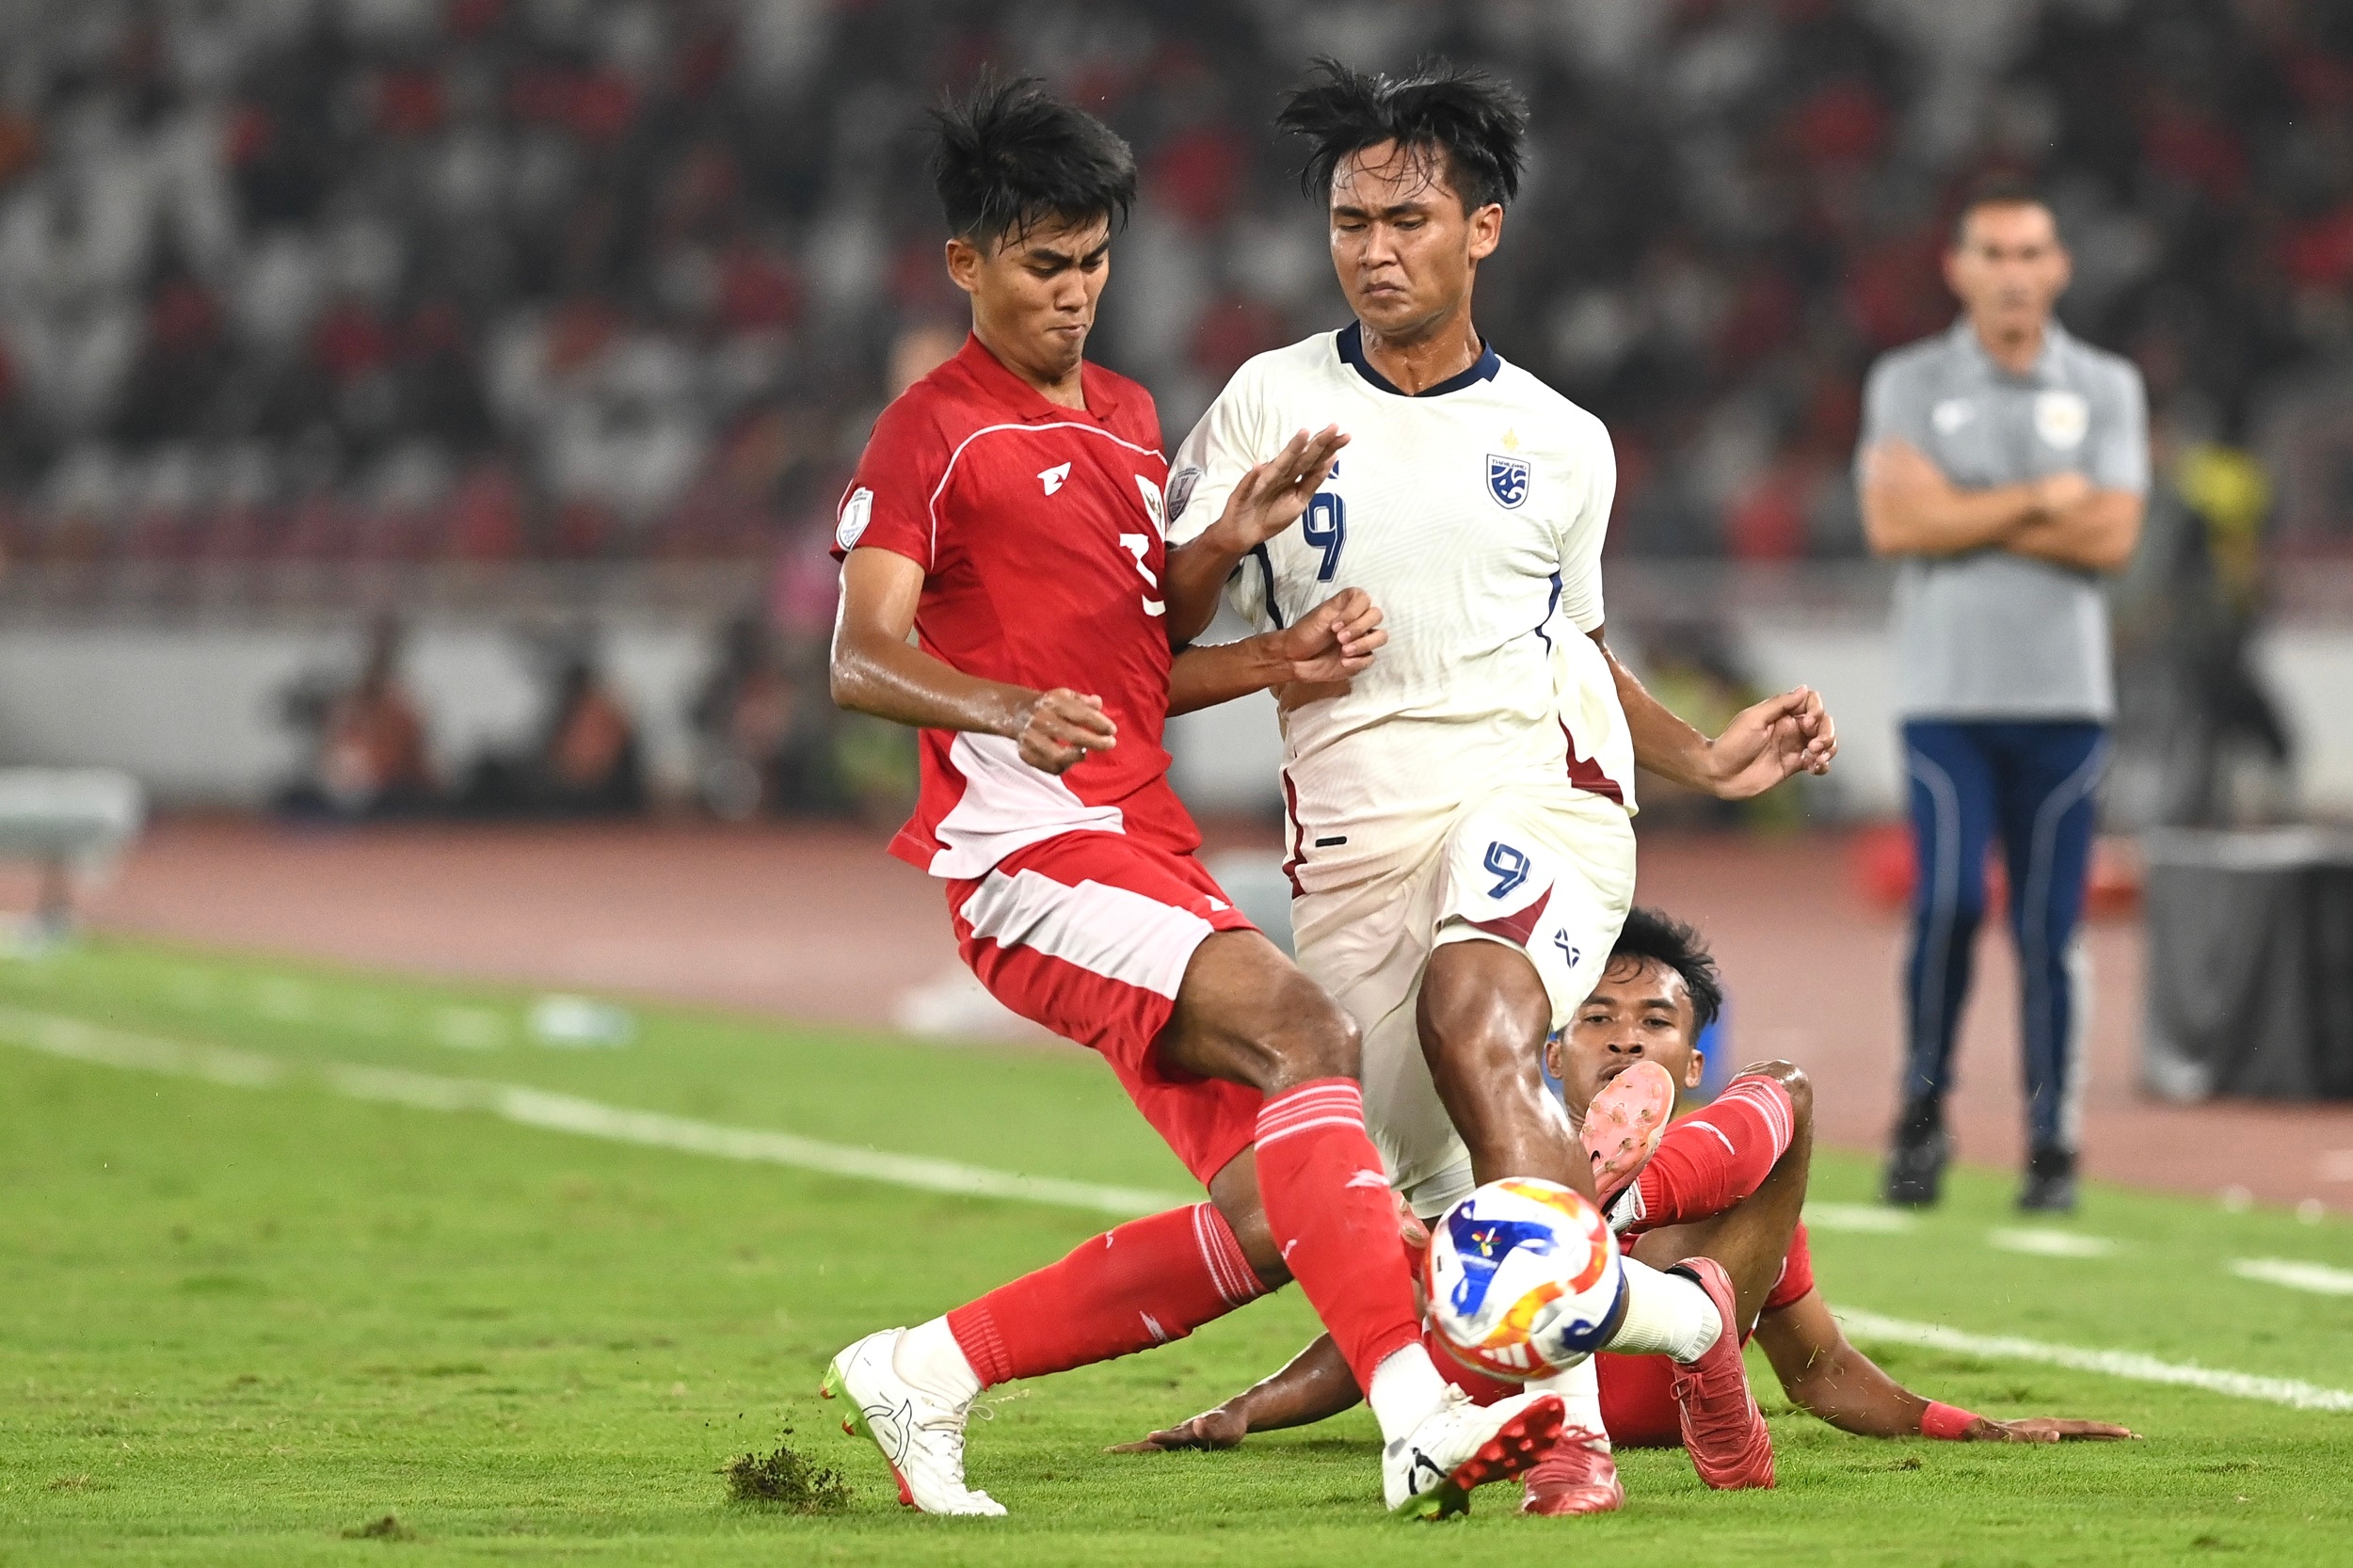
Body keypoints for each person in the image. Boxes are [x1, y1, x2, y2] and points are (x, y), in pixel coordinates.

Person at [820, 75, 1565, 1522]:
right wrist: (997, 707)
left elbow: (1133, 663)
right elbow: (860, 652)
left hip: (1140, 840)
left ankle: (926, 1367)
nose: (1078, 294)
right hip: (1028, 855)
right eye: (1046, 265)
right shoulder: (934, 429)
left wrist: (1252, 586)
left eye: (1096, 261)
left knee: (1278, 1209)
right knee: (1311, 1028)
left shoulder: (1123, 414)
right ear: (967, 262)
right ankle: (1417, 1415)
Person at [1160, 58, 1837, 1512]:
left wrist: (1708, 756)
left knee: (1483, 1013)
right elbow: (1147, 633)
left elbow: (1576, 649)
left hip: (1540, 800)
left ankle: (1572, 1435)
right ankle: (1694, 1323)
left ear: (1484, 230)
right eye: (1349, 222)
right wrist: (1231, 541)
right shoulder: (1263, 403)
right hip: (1353, 836)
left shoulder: (1560, 439)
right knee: (1430, 1220)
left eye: (1406, 218)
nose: (1372, 250)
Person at [1116, 908, 2137, 1455]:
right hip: (1521, 1403)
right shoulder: (1492, 1152)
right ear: (1552, 1052)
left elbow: (1818, 1369)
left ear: (1692, 1063)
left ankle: (1606, 1215)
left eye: (1655, 1022)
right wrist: (1247, 1408)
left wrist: (1966, 1425)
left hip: (1686, 1373)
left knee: (1785, 1095)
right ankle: (1595, 1223)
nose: (1623, 1039)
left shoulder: (1744, 1188)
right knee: (1391, 1223)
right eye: (1597, 1019)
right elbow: (1382, 1332)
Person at [1857, 176, 2150, 1213]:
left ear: (2058, 267)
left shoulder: (2107, 383)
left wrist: (1957, 507)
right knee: (1941, 908)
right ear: (1959, 268)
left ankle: (2049, 1140)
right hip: (1947, 699)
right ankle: (1922, 1115)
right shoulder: (1905, 380)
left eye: (2031, 254)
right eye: (1994, 253)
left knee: (2046, 929)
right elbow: (1894, 528)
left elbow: (2112, 538)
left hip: (2066, 705)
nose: (2014, 273)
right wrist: (2038, 501)